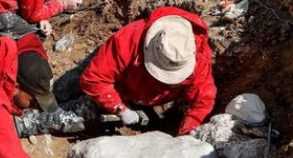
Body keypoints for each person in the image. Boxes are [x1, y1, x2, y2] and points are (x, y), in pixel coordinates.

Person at [19, 7, 217, 136]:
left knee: (78, 116)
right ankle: (28, 107)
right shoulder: (129, 40)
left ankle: (25, 124)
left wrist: (186, 134)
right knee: (68, 86)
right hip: (112, 75)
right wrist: (119, 108)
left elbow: (203, 101)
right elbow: (93, 79)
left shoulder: (192, 56)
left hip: (139, 95)